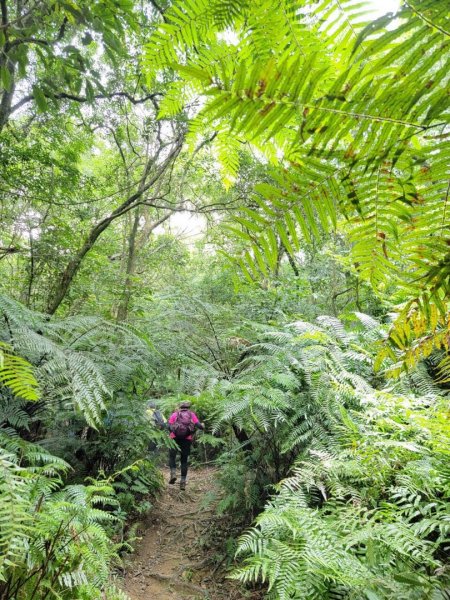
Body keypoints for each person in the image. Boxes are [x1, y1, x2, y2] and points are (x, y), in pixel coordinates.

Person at [167, 401, 204, 490]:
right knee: (184, 460)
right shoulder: (191, 415)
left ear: (180, 407)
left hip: (174, 438)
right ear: (188, 407)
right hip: (187, 439)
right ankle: (182, 483)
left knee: (172, 457)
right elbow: (199, 426)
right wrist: (202, 425)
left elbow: (168, 426)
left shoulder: (174, 414)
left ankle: (173, 474)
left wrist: (173, 431)